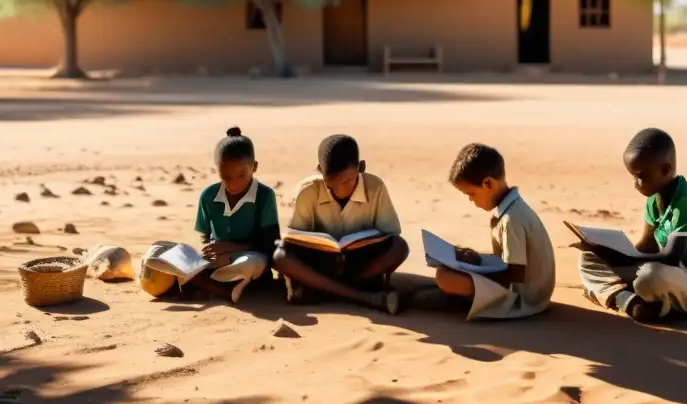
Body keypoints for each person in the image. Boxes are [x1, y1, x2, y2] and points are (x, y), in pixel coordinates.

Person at [577, 128, 687, 322]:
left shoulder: (686, 203)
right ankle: (627, 301)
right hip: (672, 274)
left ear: (665, 171)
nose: (636, 183)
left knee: (648, 277)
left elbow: (672, 258)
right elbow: (647, 246)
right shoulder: (653, 202)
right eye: (633, 177)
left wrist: (619, 260)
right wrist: (604, 250)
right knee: (588, 259)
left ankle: (653, 306)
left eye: (641, 176)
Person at [140, 126, 280, 303]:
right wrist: (210, 250)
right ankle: (224, 290)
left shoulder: (265, 195)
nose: (234, 184)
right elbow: (206, 235)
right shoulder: (208, 195)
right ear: (218, 171)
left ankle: (212, 284)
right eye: (226, 178)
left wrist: (230, 247)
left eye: (241, 176)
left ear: (255, 167)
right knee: (165, 253)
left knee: (252, 262)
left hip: (248, 257)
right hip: (217, 261)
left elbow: (270, 243)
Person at [273, 134, 407, 315]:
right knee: (280, 257)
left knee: (399, 246)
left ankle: (325, 289)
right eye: (331, 186)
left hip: (359, 264)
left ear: (361, 167)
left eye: (347, 182)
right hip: (321, 263)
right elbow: (296, 239)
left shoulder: (375, 186)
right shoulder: (308, 190)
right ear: (320, 171)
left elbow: (389, 233)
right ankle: (365, 296)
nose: (340, 190)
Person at [426, 143, 556, 320]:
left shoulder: (512, 219)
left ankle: (456, 300)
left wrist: (473, 271)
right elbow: (508, 262)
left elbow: (515, 273)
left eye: (471, 193)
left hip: (525, 300)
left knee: (445, 277)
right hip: (525, 291)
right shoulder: (511, 210)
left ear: (488, 183)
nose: (471, 200)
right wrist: (477, 260)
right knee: (448, 270)